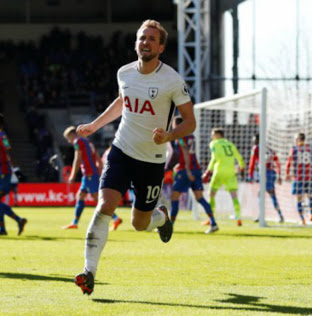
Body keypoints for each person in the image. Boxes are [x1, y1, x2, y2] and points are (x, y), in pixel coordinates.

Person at [73, 20, 196, 295]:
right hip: (121, 150)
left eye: (152, 39)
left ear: (161, 47)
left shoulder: (172, 80)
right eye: (142, 38)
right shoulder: (124, 73)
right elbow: (122, 101)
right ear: (136, 43)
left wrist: (168, 136)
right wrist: (95, 125)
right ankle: (88, 271)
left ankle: (162, 218)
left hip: (151, 160)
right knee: (105, 204)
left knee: (139, 224)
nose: (146, 42)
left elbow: (190, 122)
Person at [62, 127, 123, 231]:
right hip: (91, 173)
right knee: (81, 196)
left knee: (98, 199)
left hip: (89, 174)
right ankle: (75, 223)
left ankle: (115, 218)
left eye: (68, 138)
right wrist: (100, 171)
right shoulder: (88, 141)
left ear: (72, 135)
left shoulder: (78, 141)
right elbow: (98, 158)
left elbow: (77, 159)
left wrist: (72, 175)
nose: (69, 141)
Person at [169, 117, 218, 233]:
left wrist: (186, 168)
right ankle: (213, 223)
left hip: (186, 171)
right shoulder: (191, 136)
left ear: (177, 125)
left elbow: (185, 150)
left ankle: (170, 226)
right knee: (200, 197)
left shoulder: (180, 136)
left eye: (173, 125)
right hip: (196, 169)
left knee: (174, 197)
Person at [202, 128, 245, 227]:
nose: (212, 137)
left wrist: (208, 171)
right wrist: (242, 168)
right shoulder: (230, 144)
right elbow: (239, 157)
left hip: (219, 172)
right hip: (231, 172)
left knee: (211, 194)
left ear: (218, 135)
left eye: (213, 135)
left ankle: (210, 218)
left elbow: (214, 158)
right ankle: (238, 217)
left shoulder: (214, 144)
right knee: (234, 195)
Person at [285, 132, 312, 225]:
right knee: (309, 195)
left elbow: (289, 161)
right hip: (308, 177)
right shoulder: (310, 148)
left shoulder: (294, 149)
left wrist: (287, 173)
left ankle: (303, 219)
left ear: (297, 140)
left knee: (299, 198)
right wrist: (311, 166)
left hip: (298, 177)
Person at [248, 134, 284, 223]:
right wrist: (279, 174)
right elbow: (277, 161)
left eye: (254, 140)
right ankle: (280, 215)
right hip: (272, 172)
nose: (253, 141)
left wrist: (250, 175)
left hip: (265, 172)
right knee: (271, 194)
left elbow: (252, 162)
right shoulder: (269, 149)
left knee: (261, 194)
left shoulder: (256, 148)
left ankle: (262, 216)